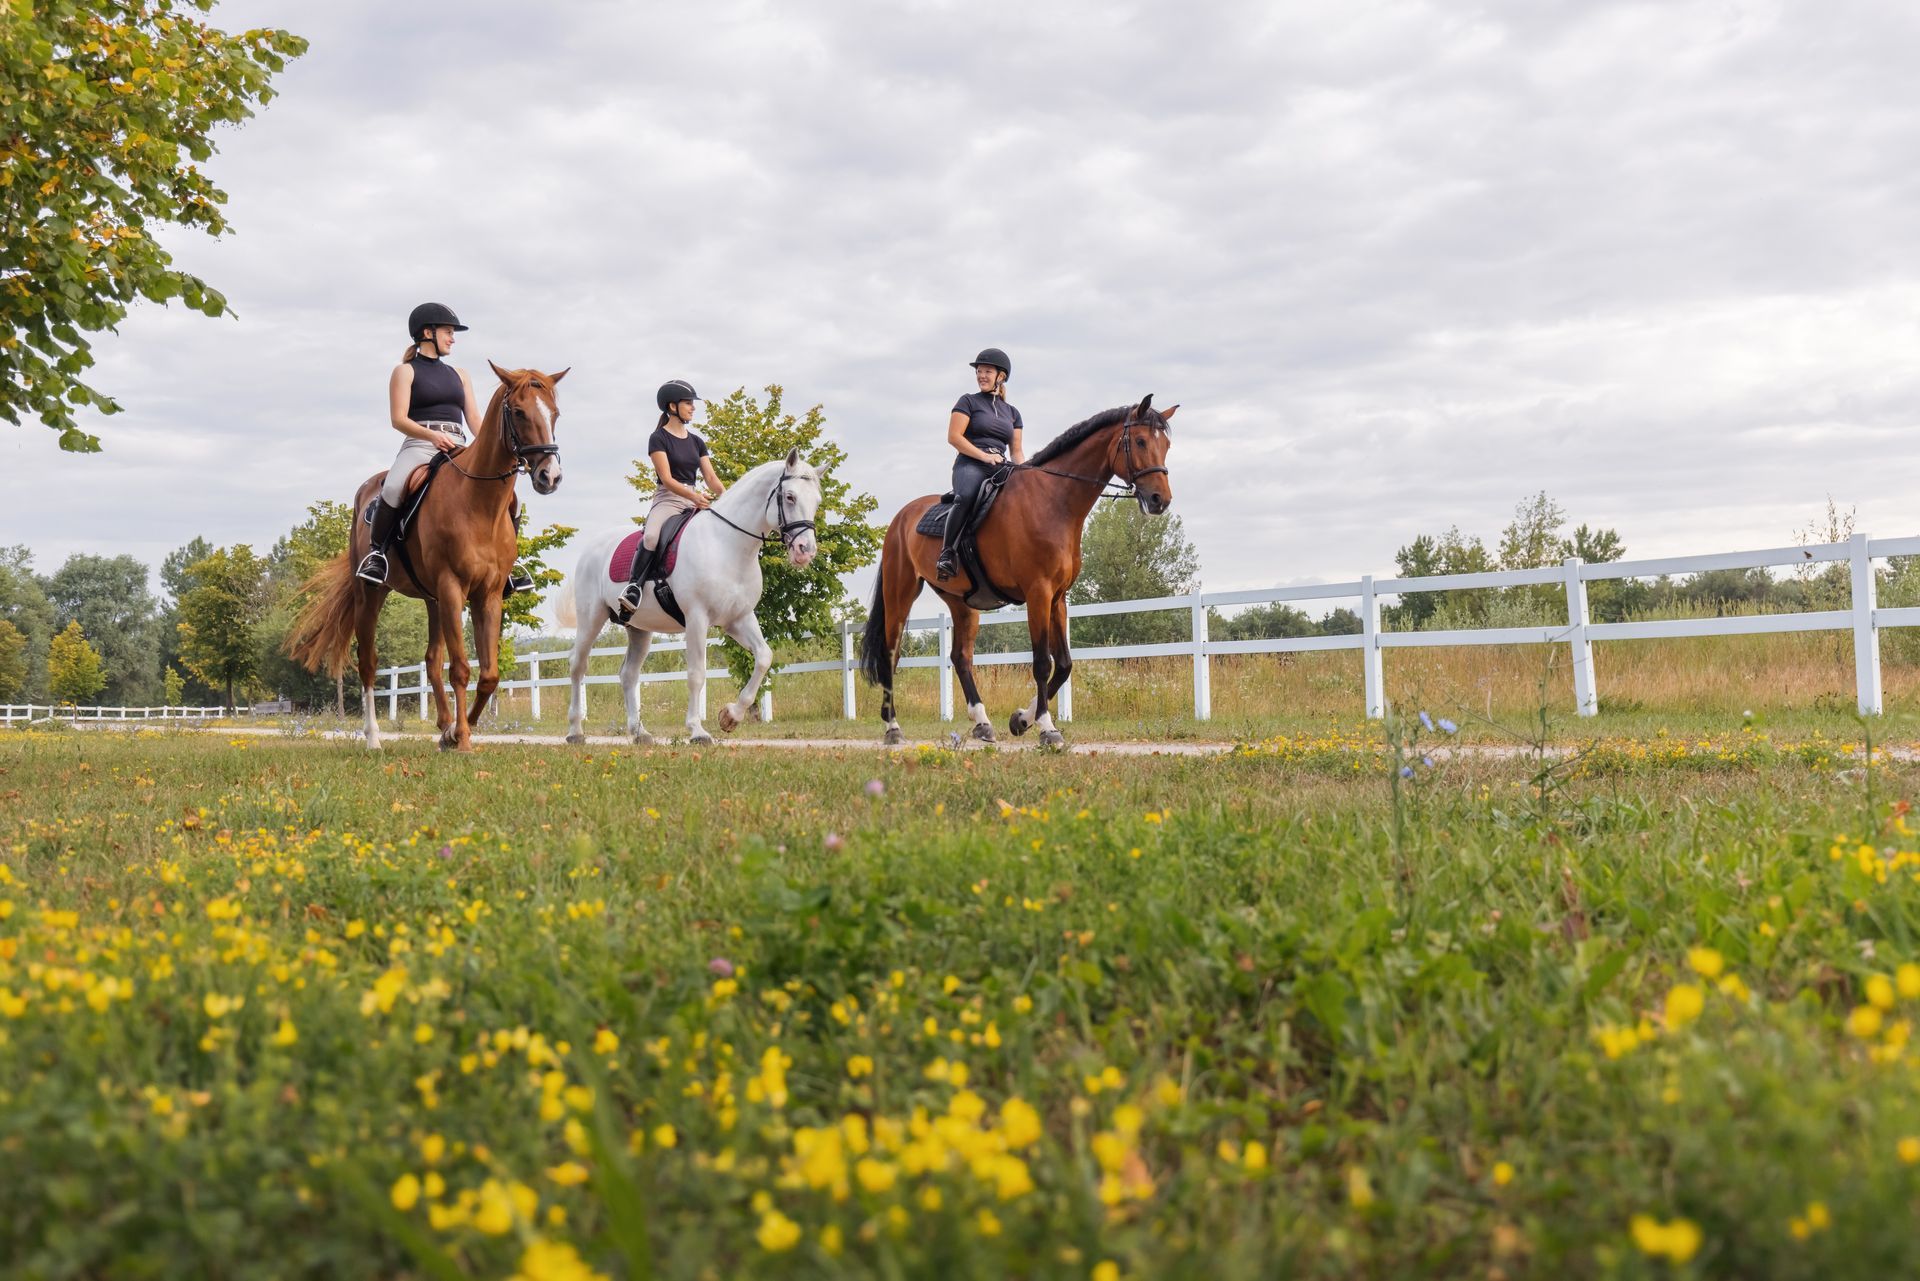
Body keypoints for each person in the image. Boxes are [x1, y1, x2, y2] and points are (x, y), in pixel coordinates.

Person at [357, 303, 531, 593]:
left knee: (513, 499)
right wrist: (431, 436)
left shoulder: (460, 374)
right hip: (420, 444)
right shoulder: (405, 371)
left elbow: (475, 419)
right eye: (448, 332)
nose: (452, 338)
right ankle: (377, 555)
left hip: (458, 445)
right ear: (428, 333)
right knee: (393, 487)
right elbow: (398, 419)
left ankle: (509, 565)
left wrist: (493, 448)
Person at [616, 379, 726, 617]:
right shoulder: (658, 438)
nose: (693, 407)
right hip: (669, 499)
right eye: (688, 403)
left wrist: (727, 498)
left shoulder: (697, 441)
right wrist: (694, 496)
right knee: (652, 536)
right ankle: (634, 587)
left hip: (694, 500)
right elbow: (666, 478)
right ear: (672, 407)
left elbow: (711, 477)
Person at [936, 347, 1024, 581]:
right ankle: (947, 554)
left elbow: (1016, 451)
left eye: (987, 371)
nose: (981, 376)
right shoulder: (968, 401)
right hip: (970, 464)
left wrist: (1026, 473)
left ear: (1001, 376)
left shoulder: (1013, 413)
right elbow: (954, 437)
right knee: (965, 497)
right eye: (979, 371)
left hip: (1001, 466)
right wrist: (984, 456)